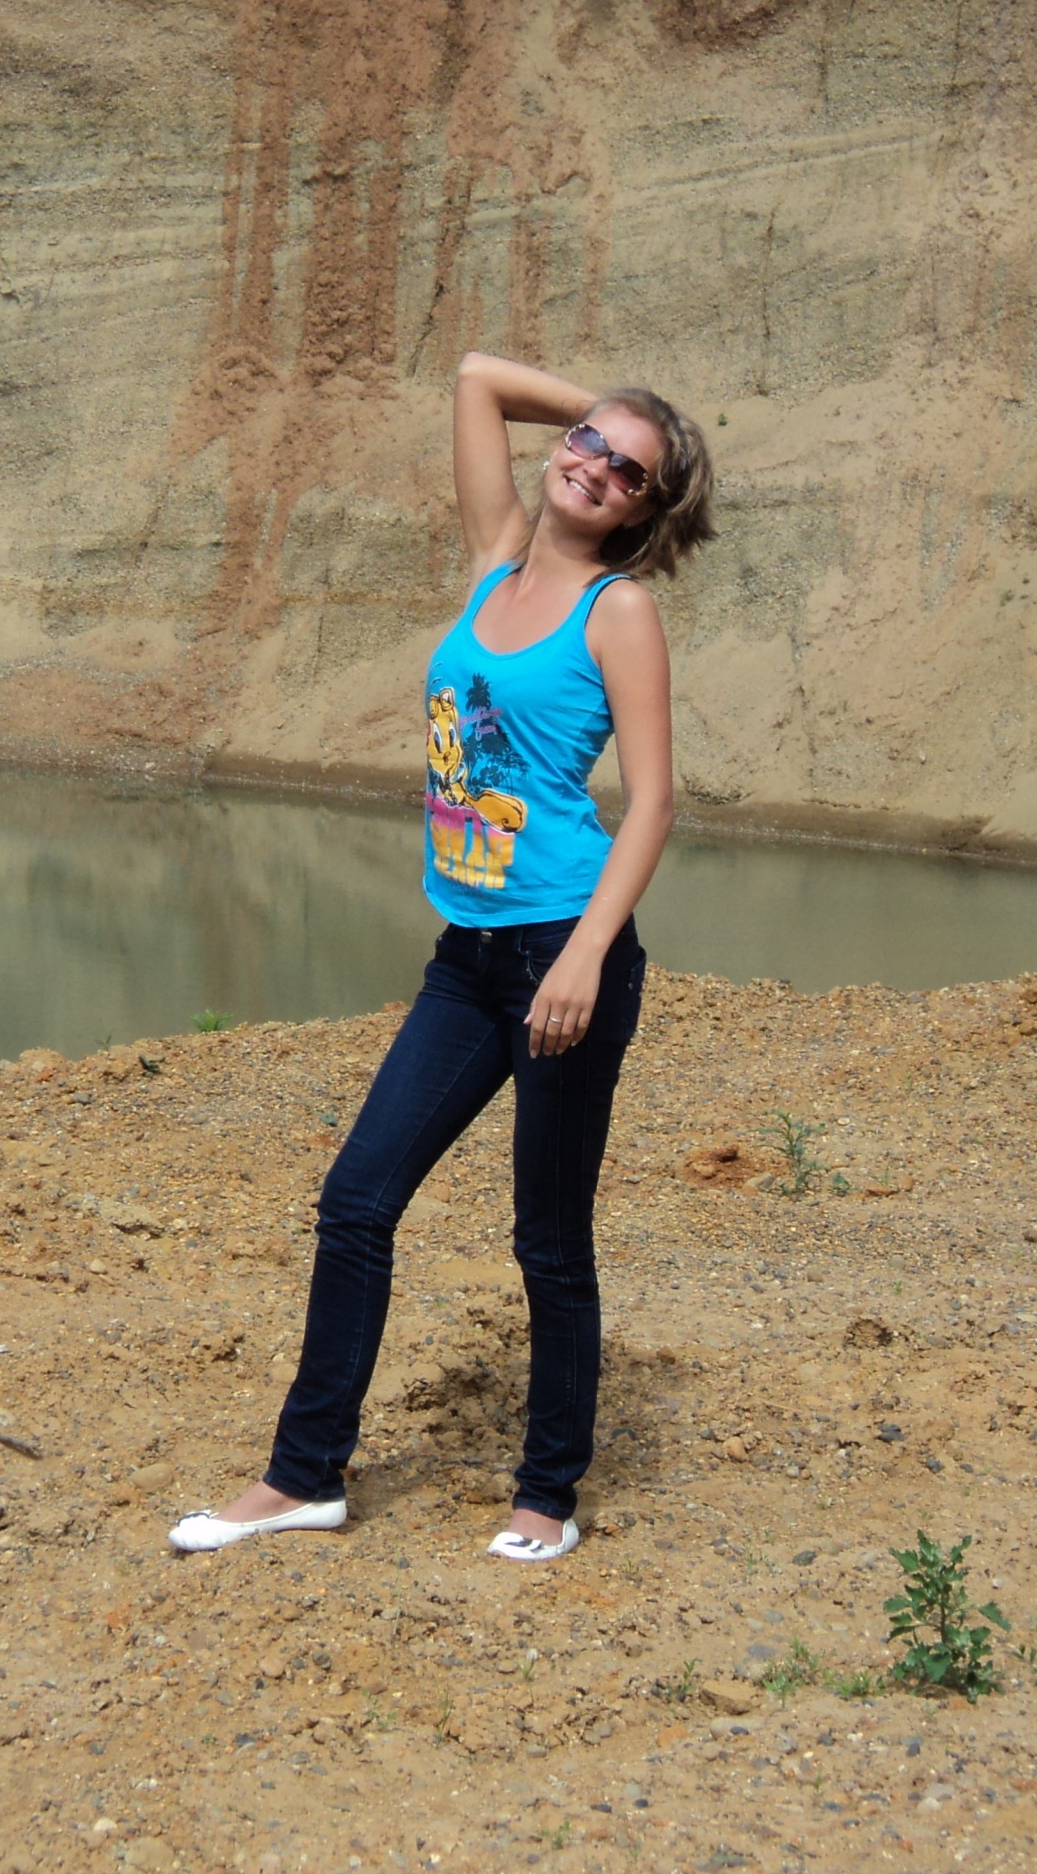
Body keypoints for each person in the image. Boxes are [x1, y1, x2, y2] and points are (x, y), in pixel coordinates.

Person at [171, 352, 717, 1562]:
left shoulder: (616, 612)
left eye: (627, 473)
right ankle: (303, 1477)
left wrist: (585, 955)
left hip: (562, 950)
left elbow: (653, 803)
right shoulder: (495, 562)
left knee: (546, 1240)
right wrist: (617, 412)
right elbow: (474, 378)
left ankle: (545, 1498)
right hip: (466, 957)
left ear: (643, 510)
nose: (593, 469)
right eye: (586, 445)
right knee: (357, 1201)